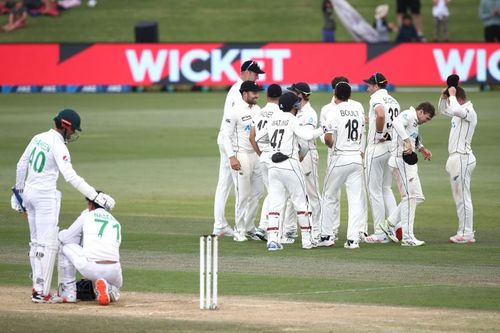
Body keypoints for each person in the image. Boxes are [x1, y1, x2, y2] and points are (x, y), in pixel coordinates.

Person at [12, 108, 115, 303]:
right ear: (66, 127)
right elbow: (70, 176)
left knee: (35, 242)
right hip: (45, 197)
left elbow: (21, 165)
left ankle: (37, 288)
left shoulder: (38, 137)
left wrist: (18, 194)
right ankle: (40, 292)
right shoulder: (59, 146)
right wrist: (95, 196)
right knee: (46, 243)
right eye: (73, 130)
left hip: (29, 193)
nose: (73, 134)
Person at [256, 92, 324, 250]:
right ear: (293, 106)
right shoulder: (293, 120)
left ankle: (272, 240)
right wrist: (324, 129)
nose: (299, 105)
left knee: (275, 203)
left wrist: (273, 147)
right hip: (290, 164)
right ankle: (308, 240)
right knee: (301, 202)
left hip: (273, 166)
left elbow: (260, 138)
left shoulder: (272, 120)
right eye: (297, 103)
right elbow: (307, 135)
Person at [212, 60, 264, 239]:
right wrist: (233, 154)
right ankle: (235, 227)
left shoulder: (240, 88)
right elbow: (236, 123)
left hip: (234, 144)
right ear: (247, 72)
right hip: (234, 145)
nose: (258, 77)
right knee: (236, 187)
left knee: (225, 184)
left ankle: (221, 225)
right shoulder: (239, 90)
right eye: (256, 73)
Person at [320, 82, 368, 249]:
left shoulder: (333, 112)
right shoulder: (359, 112)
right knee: (355, 200)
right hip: (356, 158)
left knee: (328, 195)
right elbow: (362, 134)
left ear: (334, 93)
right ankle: (353, 240)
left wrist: (332, 145)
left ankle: (326, 236)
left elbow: (327, 138)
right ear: (350, 95)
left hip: (340, 157)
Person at [380, 102, 435, 247]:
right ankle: (408, 237)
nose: (426, 121)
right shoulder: (409, 114)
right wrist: (406, 141)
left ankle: (390, 223)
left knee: (417, 197)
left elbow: (413, 137)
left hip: (407, 163)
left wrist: (421, 149)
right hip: (401, 161)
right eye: (427, 118)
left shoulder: (415, 121)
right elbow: (396, 123)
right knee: (410, 197)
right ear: (421, 111)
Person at [52, 194, 122, 306]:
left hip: (92, 268)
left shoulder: (87, 215)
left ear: (91, 204)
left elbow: (66, 238)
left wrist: (59, 233)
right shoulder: (116, 222)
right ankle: (108, 288)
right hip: (115, 271)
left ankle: (68, 292)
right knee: (116, 290)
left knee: (63, 245)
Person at [282, 82, 322, 241]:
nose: (291, 93)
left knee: (312, 194)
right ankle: (289, 230)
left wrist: (301, 154)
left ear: (301, 95)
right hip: (294, 154)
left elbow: (307, 135)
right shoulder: (294, 110)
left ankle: (318, 230)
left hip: (307, 155)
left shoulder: (309, 113)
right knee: (293, 194)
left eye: (293, 92)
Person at [363, 73, 400, 244]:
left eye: (370, 84)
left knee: (374, 191)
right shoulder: (394, 101)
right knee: (386, 188)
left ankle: (380, 232)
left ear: (377, 86)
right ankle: (396, 226)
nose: (367, 87)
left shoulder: (376, 98)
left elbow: (380, 115)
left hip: (376, 148)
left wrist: (378, 134)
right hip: (391, 147)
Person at [438, 86, 477, 243]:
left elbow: (455, 110)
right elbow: (442, 110)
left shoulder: (468, 112)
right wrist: (443, 96)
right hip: (456, 159)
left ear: (459, 98)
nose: (449, 102)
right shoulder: (457, 110)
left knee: (463, 197)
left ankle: (467, 234)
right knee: (459, 198)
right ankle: (463, 231)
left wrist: (452, 95)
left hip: (462, 158)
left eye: (451, 99)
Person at [249, 83, 283, 242]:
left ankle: (264, 227)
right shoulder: (280, 113)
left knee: (272, 192)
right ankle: (265, 228)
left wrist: (260, 153)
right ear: (280, 96)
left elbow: (252, 137)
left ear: (267, 95)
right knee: (276, 193)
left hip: (262, 156)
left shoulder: (260, 112)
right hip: (274, 156)